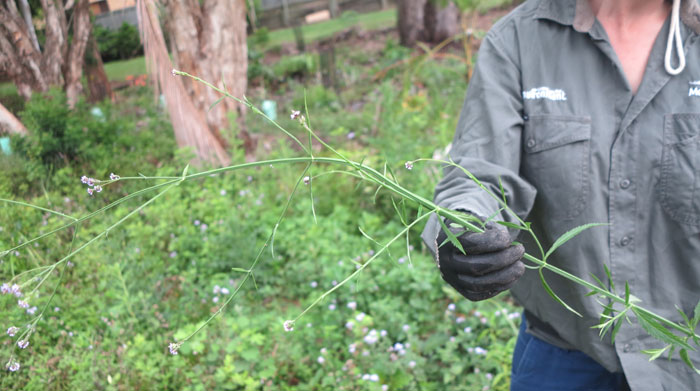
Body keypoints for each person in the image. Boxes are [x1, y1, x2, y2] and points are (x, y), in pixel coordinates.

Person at [420, 0, 700, 390]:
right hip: (566, 350)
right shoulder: (518, 40)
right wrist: (461, 231)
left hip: (689, 357)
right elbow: (479, 174)